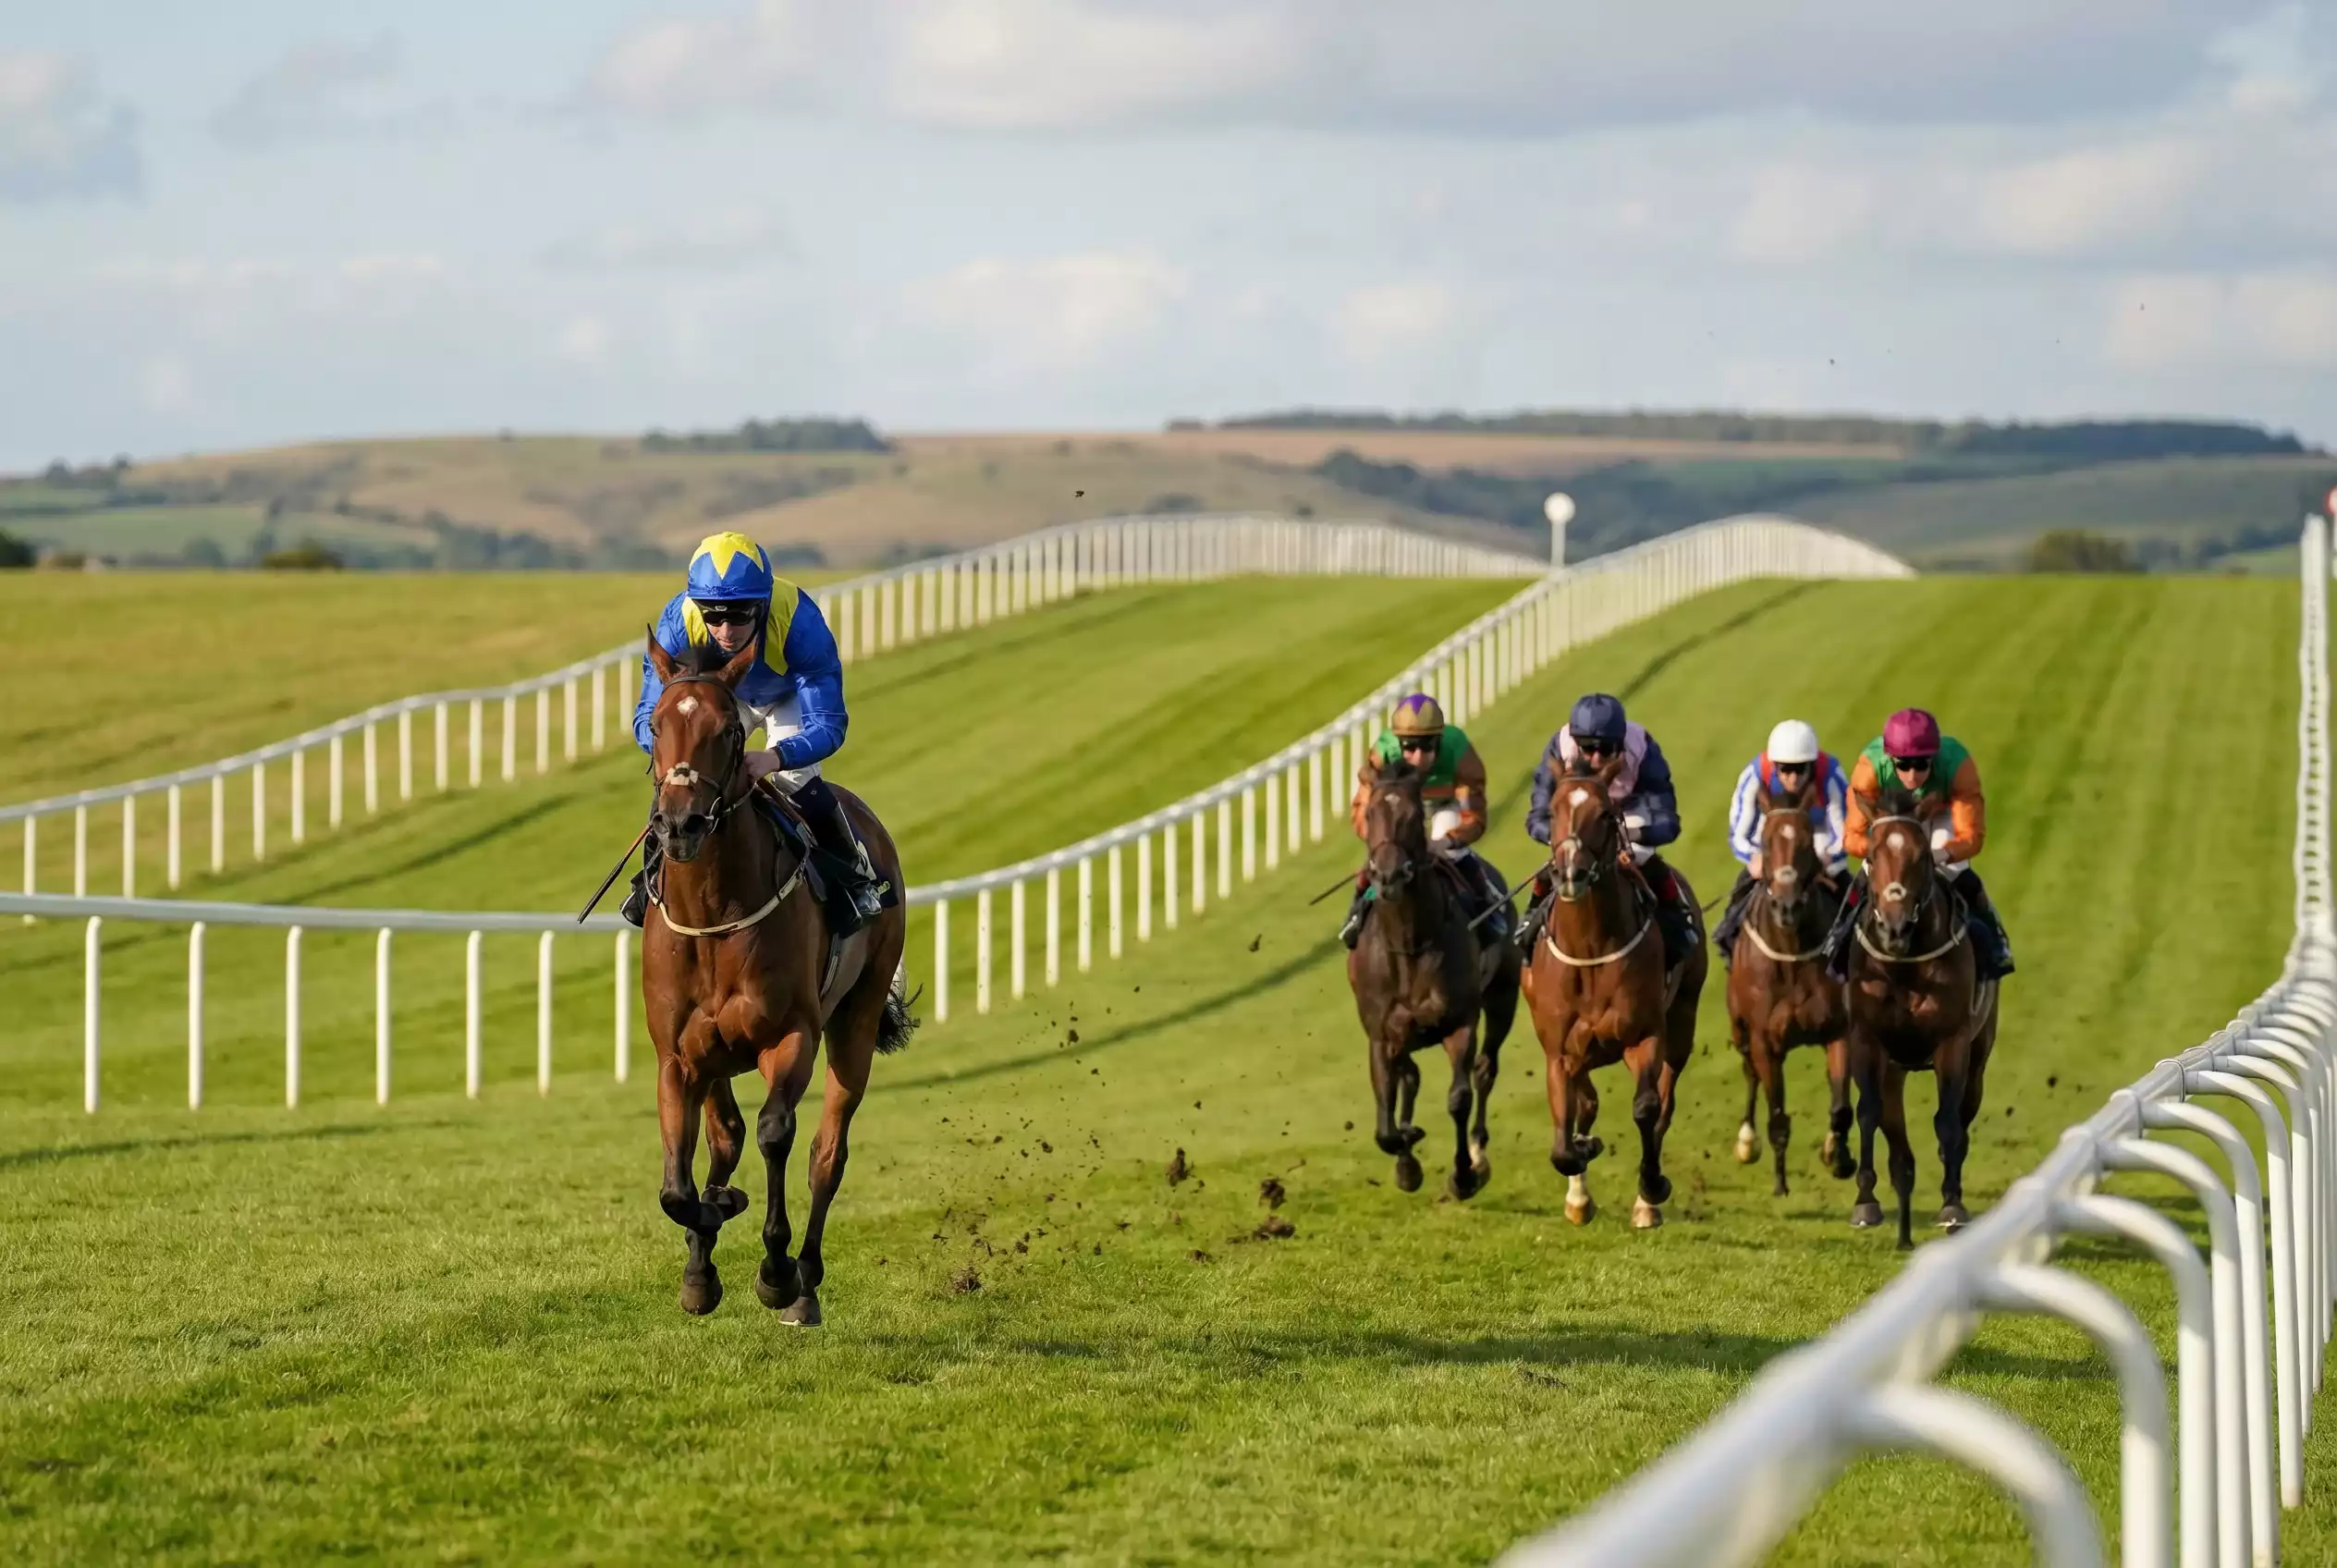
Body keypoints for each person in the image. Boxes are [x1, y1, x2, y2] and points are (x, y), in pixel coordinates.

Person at [620, 531, 887, 934]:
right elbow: (647, 716)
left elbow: (828, 725)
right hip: (720, 701)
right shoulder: (679, 620)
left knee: (793, 778)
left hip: (787, 697)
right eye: (714, 616)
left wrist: (773, 757)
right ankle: (648, 885)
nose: (726, 629)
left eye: (740, 615)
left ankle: (853, 875)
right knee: (681, 778)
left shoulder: (799, 622)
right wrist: (677, 756)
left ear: (762, 605)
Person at [1823, 706, 2013, 982]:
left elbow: (1971, 836)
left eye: (1922, 764)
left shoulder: (1957, 764)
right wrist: (1888, 856)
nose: (1912, 775)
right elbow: (1852, 835)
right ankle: (1838, 937)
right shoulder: (1870, 767)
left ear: (1934, 758)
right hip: (1890, 822)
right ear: (1890, 758)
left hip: (1939, 816)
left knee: (1957, 871)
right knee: (1868, 873)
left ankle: (1995, 941)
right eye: (1903, 765)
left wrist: (1941, 853)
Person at [1523, 692, 1697, 965]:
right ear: (1575, 743)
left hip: (1628, 813)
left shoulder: (1642, 749)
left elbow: (1667, 820)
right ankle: (1529, 926)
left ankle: (1678, 927)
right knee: (1557, 865)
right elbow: (1537, 817)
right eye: (1587, 748)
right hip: (1578, 819)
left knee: (1644, 858)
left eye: (1605, 749)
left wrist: (1636, 835)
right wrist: (1562, 838)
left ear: (1621, 743)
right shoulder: (1559, 747)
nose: (1595, 758)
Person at [1340, 692, 1504, 947]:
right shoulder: (1383, 754)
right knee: (1382, 860)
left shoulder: (1458, 750)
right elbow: (1363, 810)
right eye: (1409, 747)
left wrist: (1446, 841)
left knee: (1452, 852)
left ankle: (1486, 902)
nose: (1417, 757)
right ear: (1398, 743)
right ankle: (1359, 907)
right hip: (1400, 808)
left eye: (1427, 747)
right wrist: (1383, 841)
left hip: (1444, 805)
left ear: (1439, 740)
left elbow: (1474, 815)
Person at [1710, 718, 1849, 966]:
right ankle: (1729, 939)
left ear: (1812, 766)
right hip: (1772, 835)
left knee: (1845, 884)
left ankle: (1856, 941)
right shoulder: (1754, 775)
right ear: (1774, 766)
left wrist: (1826, 858)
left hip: (1816, 836)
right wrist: (1754, 859)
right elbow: (1739, 834)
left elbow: (1846, 832)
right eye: (1785, 769)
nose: (1793, 778)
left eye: (1800, 769)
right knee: (1743, 887)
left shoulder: (1831, 775)